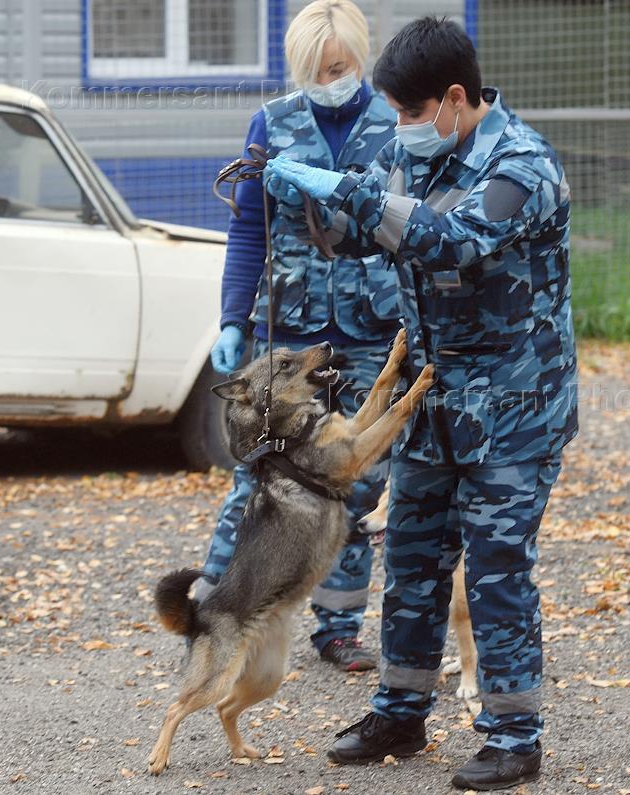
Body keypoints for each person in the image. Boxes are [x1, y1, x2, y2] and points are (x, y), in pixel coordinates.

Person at [263, 17, 577, 791]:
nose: (399, 129)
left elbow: (452, 239)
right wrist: (306, 191)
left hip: (513, 409)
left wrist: (347, 194)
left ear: (455, 100)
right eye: (395, 114)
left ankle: (512, 734)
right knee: (410, 560)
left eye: (410, 113)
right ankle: (400, 711)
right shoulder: (415, 155)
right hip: (433, 402)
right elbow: (363, 231)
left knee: (498, 569)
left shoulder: (523, 167)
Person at [199, 0, 400, 673]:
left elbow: (415, 226)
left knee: (355, 479)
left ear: (359, 59)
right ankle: (217, 600)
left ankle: (338, 624)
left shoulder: (394, 123)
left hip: (372, 323)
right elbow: (249, 229)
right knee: (262, 472)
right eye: (315, 71)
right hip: (295, 330)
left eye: (338, 68)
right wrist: (233, 318)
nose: (328, 79)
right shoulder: (273, 122)